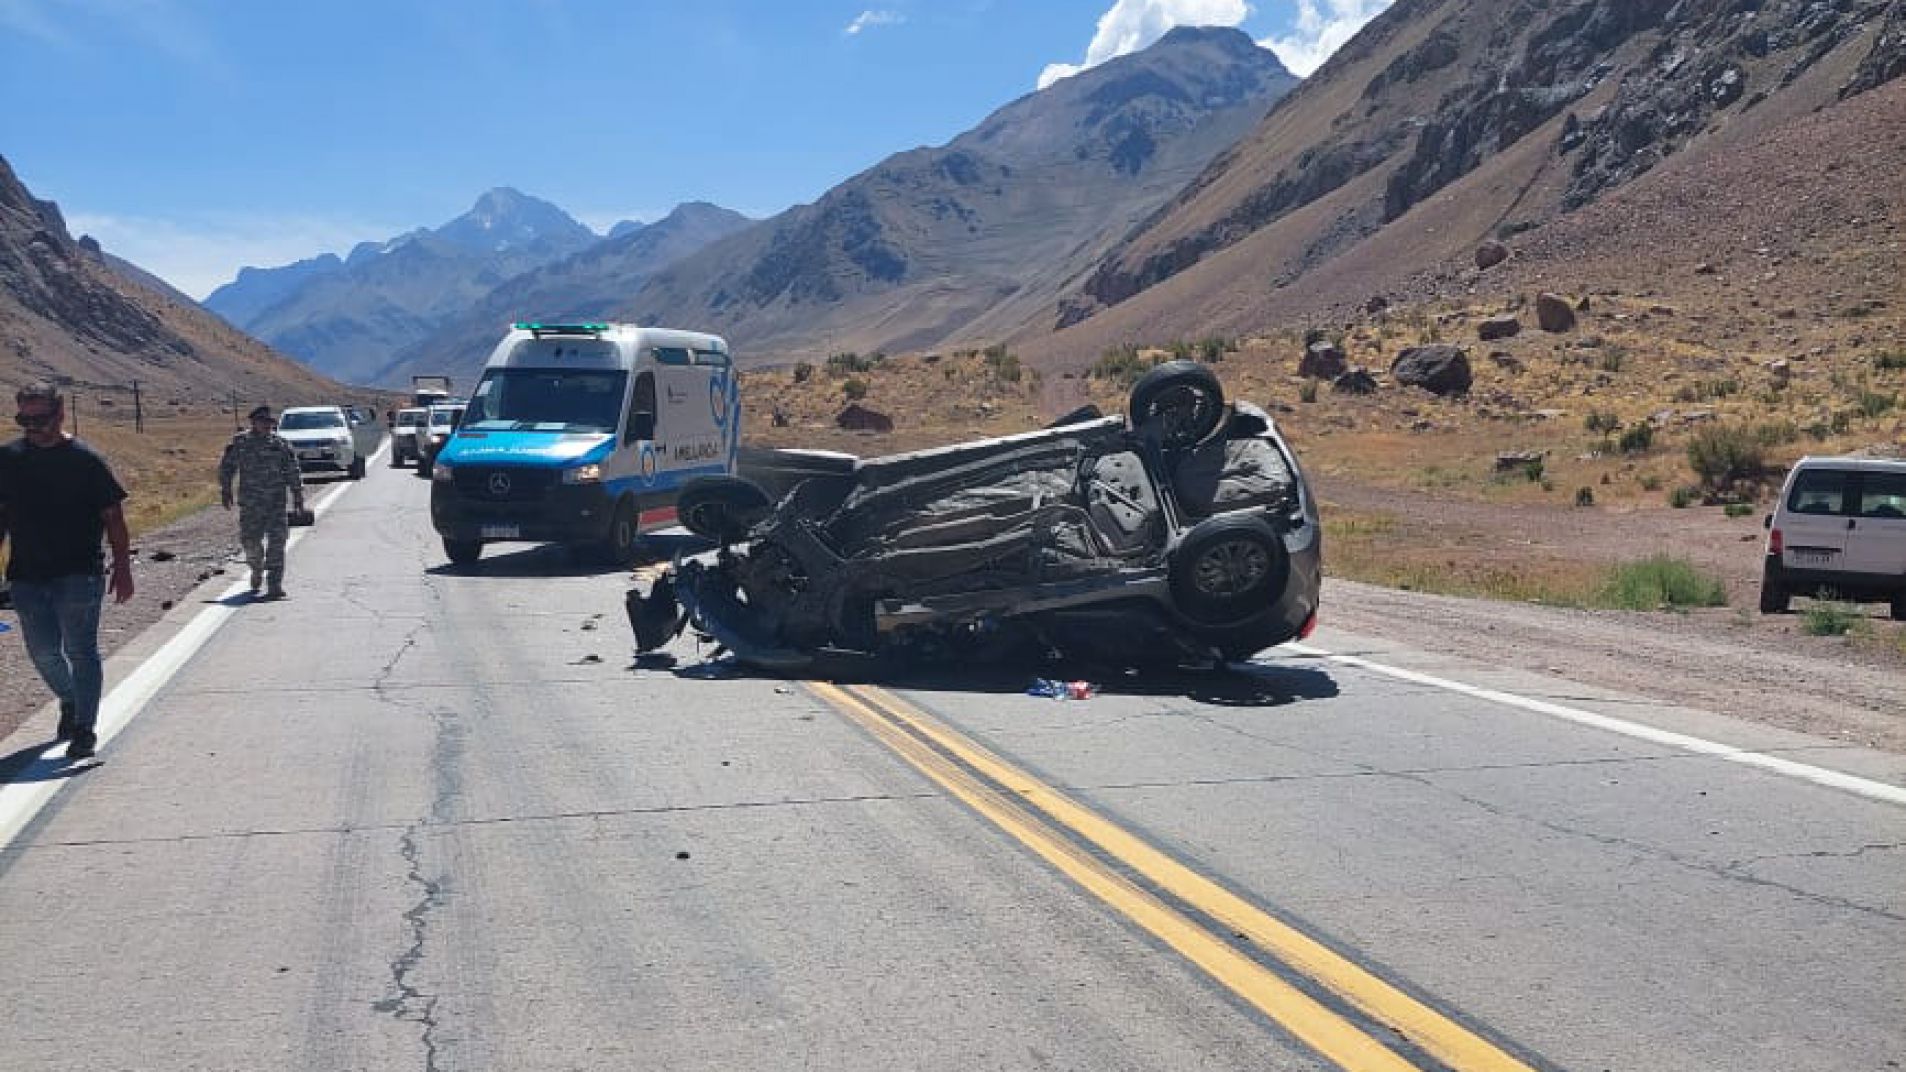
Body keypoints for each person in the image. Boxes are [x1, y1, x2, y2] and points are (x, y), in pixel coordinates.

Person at [0, 382, 135, 760]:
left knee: (81, 651)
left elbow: (113, 516)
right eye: (23, 419)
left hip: (79, 573)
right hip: (26, 574)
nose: (32, 427)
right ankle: (71, 700)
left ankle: (84, 729)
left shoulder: (84, 460)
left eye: (39, 418)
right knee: (43, 652)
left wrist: (122, 568)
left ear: (59, 415)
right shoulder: (7, 459)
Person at [219, 404, 304, 599]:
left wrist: (298, 496)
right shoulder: (241, 443)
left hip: (276, 503)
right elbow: (227, 467)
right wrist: (225, 490)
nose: (266, 426)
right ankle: (256, 569)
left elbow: (292, 470)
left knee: (277, 542)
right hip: (251, 504)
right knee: (250, 543)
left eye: (269, 423)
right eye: (262, 422)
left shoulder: (281, 444)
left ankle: (275, 584)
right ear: (253, 423)